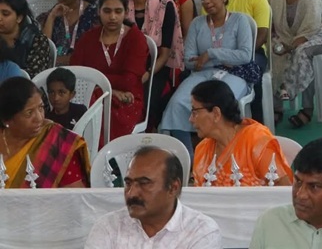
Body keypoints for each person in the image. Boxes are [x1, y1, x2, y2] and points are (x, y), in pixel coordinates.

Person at [161, 0, 256, 158]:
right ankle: (190, 159)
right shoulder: (197, 24)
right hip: (202, 73)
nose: (206, 1)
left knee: (217, 105)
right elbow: (189, 60)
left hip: (233, 74)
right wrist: (220, 59)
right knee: (177, 103)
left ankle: (225, 155)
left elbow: (244, 55)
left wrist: (210, 54)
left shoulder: (240, 20)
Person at [84, 146, 222, 248]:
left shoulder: (201, 231)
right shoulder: (108, 227)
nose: (132, 193)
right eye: (128, 183)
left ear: (173, 188)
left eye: (144, 183)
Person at [71, 0, 150, 138]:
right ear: (99, 12)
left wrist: (97, 83)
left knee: (98, 109)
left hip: (127, 100)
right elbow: (76, 74)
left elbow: (128, 81)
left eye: (118, 11)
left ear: (126, 13)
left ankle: (99, 152)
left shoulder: (135, 38)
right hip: (91, 94)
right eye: (107, 11)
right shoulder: (88, 38)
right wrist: (109, 90)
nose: (112, 17)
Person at [114, 0, 183, 128]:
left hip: (155, 67)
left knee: (144, 102)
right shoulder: (120, 9)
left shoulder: (164, 6)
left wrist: (146, 75)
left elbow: (164, 53)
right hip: (128, 65)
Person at [190, 79, 292, 187]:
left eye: (195, 112)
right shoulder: (202, 150)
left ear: (216, 114)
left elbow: (284, 189)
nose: (190, 119)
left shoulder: (256, 141)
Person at [0, 76, 90, 187]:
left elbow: (75, 193)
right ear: (7, 120)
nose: (39, 118)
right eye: (29, 113)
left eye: (41, 108)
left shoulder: (57, 142)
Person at [268, 0, 322, 128]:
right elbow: (272, 23)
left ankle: (307, 109)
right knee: (272, 51)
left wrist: (291, 46)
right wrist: (279, 44)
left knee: (301, 54)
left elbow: (310, 29)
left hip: (312, 38)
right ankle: (277, 106)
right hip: (286, 37)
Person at [39, 0, 99, 66]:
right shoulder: (54, 12)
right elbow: (44, 48)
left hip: (84, 66)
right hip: (55, 66)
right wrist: (52, 17)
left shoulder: (94, 14)